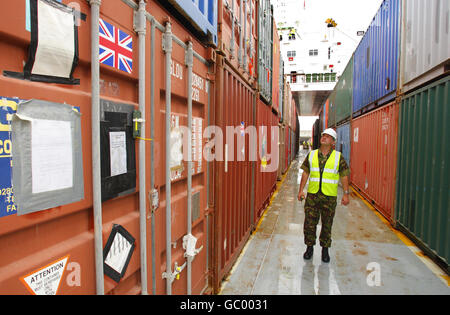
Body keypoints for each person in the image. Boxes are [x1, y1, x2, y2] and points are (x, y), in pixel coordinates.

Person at [297, 128, 350, 263]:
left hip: (329, 197)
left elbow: (344, 175)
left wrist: (346, 194)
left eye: (328, 136)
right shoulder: (312, 155)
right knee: (309, 224)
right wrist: (301, 190)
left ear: (333, 142)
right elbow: (305, 173)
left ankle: (325, 250)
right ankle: (309, 248)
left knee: (327, 225)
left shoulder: (338, 157)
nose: (324, 137)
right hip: (313, 196)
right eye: (323, 135)